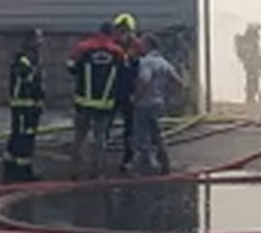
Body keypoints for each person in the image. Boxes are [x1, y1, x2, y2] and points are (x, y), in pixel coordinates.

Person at [66, 21, 126, 180]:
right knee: (101, 138)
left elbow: (70, 67)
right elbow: (123, 74)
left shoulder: (83, 47)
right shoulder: (117, 51)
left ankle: (75, 171)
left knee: (79, 137)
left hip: (83, 102)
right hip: (105, 104)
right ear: (111, 33)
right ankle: (98, 171)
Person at [130, 34, 184, 176]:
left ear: (148, 45)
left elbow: (144, 80)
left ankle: (144, 169)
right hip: (158, 103)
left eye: (141, 44)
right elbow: (178, 82)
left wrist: (135, 98)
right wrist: (166, 94)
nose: (139, 46)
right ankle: (165, 165)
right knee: (157, 136)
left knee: (142, 138)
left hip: (144, 105)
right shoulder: (163, 62)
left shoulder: (146, 62)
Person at [2, 28, 46, 183]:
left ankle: (10, 164)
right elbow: (30, 82)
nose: (41, 42)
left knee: (18, 134)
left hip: (26, 104)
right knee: (24, 136)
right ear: (31, 40)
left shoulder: (31, 57)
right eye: (38, 38)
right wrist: (37, 99)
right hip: (24, 105)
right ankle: (23, 171)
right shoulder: (24, 59)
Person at [109, 12, 141, 174]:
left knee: (130, 128)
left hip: (129, 93)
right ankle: (101, 157)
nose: (119, 34)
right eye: (118, 30)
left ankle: (128, 158)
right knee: (106, 125)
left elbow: (139, 72)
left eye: (123, 30)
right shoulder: (113, 46)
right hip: (113, 91)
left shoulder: (136, 47)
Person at [235, 22, 261, 106]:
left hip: (251, 64)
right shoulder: (250, 41)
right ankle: (251, 98)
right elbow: (254, 53)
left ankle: (251, 98)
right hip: (251, 64)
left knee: (252, 80)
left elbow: (256, 53)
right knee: (252, 80)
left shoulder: (249, 41)